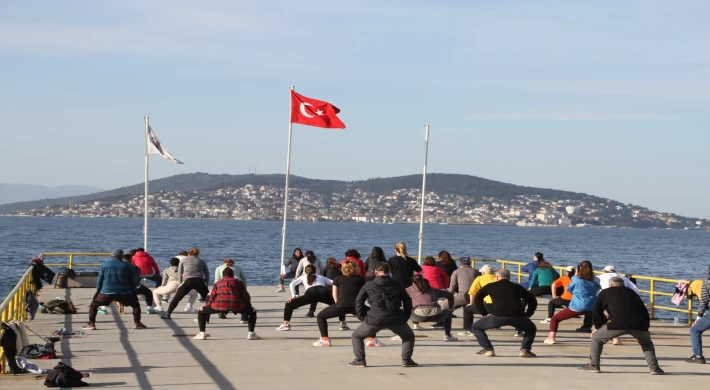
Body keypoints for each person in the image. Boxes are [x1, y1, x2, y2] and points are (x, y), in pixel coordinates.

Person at [578, 277, 664, 375]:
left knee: (596, 338)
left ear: (610, 285)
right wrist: (645, 327)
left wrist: (598, 327)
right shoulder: (633, 293)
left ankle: (593, 365)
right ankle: (654, 368)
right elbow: (644, 311)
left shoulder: (605, 292)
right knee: (646, 343)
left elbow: (596, 311)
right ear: (623, 285)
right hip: (639, 324)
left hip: (617, 324)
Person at [350, 263, 417, 368]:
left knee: (357, 336)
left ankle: (360, 360)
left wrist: (362, 317)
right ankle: (406, 360)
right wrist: (406, 316)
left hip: (375, 318)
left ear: (375, 272)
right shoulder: (397, 284)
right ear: (389, 272)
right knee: (408, 336)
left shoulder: (368, 285)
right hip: (396, 318)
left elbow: (358, 302)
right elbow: (407, 301)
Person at [471, 269, 537, 358]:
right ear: (509, 277)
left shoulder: (490, 286)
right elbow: (532, 299)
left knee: (476, 327)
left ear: (497, 277)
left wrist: (484, 313)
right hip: (518, 316)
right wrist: (528, 314)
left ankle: (488, 349)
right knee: (531, 328)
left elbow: (477, 297)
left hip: (498, 316)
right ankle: (525, 350)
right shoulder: (517, 287)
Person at [314, 260, 380, 347]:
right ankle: (371, 339)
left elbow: (335, 295)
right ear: (356, 269)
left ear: (343, 269)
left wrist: (338, 305)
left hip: (341, 305)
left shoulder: (338, 279)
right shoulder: (360, 279)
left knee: (320, 316)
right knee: (373, 317)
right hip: (356, 306)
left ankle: (325, 339)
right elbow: (364, 294)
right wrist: (360, 308)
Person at [84, 249, 146, 330]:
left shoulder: (105, 265)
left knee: (94, 305)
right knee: (135, 305)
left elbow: (100, 280)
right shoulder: (128, 266)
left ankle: (91, 324)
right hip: (124, 292)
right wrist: (134, 293)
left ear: (111, 256)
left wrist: (98, 292)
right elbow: (132, 281)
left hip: (107, 291)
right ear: (122, 256)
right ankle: (137, 323)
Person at [194, 267, 261, 341]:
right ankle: (251, 334)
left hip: (218, 305)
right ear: (232, 275)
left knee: (201, 312)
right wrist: (250, 306)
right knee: (252, 312)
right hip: (236, 305)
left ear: (222, 275)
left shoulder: (217, 283)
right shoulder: (238, 282)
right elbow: (245, 295)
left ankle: (202, 334)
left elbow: (212, 296)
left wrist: (207, 305)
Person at [544, 260, 600, 344]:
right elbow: (597, 289)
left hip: (577, 306)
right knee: (603, 321)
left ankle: (551, 338)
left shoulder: (576, 278)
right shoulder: (596, 279)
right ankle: (615, 338)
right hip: (592, 306)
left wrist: (576, 275)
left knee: (555, 319)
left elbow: (569, 289)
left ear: (580, 268)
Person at [277, 264, 334, 331]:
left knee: (289, 304)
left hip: (311, 293)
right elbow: (334, 283)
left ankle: (286, 324)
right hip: (323, 291)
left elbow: (292, 284)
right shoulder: (320, 277)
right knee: (338, 304)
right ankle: (343, 323)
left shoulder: (303, 277)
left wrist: (294, 296)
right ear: (315, 271)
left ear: (305, 271)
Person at [404, 274, 457, 341]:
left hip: (419, 316)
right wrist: (450, 307)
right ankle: (447, 335)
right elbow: (449, 295)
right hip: (436, 315)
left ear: (413, 283)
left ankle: (402, 335)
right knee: (448, 313)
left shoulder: (410, 289)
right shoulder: (433, 289)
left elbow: (398, 295)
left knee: (404, 311)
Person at [162, 247, 210, 319]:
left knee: (176, 298)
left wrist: (181, 283)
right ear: (198, 253)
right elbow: (207, 274)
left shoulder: (184, 260)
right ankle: (214, 315)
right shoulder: (201, 261)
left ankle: (168, 313)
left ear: (189, 253)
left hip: (188, 280)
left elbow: (180, 273)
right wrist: (206, 284)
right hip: (199, 280)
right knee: (208, 299)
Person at [461, 264, 497, 334]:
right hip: (499, 305)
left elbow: (472, 292)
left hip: (489, 304)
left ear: (483, 272)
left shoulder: (480, 278)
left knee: (467, 310)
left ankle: (468, 330)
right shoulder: (497, 278)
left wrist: (471, 303)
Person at [686, 265, 710, 364]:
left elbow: (703, 301)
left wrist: (698, 318)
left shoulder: (706, 284)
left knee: (695, 330)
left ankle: (698, 356)